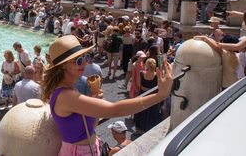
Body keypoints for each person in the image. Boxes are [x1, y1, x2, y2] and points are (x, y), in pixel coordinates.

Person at [42, 35, 173, 156]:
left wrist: (94, 104)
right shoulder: (65, 95)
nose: (85, 63)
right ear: (63, 65)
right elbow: (114, 110)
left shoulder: (69, 88)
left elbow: (89, 128)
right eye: (78, 60)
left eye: (86, 57)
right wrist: (160, 95)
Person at [134, 58, 161, 134]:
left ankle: (138, 129)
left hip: (143, 94)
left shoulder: (141, 73)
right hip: (153, 95)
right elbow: (159, 85)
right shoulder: (157, 75)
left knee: (141, 112)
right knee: (151, 113)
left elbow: (139, 86)